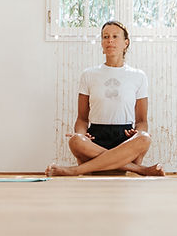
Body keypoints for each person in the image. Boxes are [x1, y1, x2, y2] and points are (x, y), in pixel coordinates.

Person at [47, 20, 163, 177]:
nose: (110, 40)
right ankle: (139, 170)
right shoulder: (88, 75)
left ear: (126, 43)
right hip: (95, 136)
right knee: (75, 141)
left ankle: (73, 170)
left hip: (125, 138)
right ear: (101, 43)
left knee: (145, 138)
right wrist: (81, 134)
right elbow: (81, 119)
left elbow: (142, 121)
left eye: (115, 36)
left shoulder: (138, 76)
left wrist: (137, 133)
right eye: (105, 37)